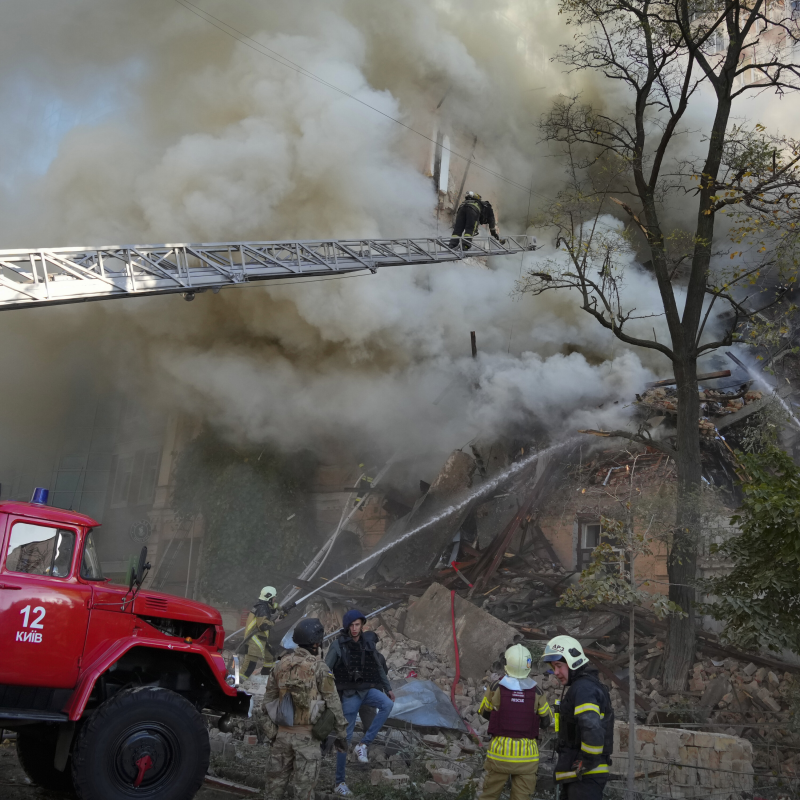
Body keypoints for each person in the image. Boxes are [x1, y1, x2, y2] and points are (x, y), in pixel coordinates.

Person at [263, 618, 348, 800]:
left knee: (272, 792)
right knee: (304, 794)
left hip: (281, 739)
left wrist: (273, 735)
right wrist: (342, 736)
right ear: (316, 643)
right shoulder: (320, 668)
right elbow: (334, 704)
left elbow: (266, 703)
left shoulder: (280, 666)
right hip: (308, 742)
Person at [325, 608, 395, 796]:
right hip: (349, 695)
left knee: (387, 705)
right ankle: (339, 782)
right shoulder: (338, 645)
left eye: (358, 625)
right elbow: (325, 671)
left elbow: (379, 667)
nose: (355, 628)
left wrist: (388, 688)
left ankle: (363, 745)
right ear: (347, 626)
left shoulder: (367, 643)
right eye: (352, 625)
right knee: (344, 739)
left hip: (367, 691)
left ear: (362, 625)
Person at [542, 635, 614, 800]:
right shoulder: (583, 687)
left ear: (573, 661)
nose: (556, 672)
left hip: (585, 776)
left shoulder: (583, 689)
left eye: (559, 666)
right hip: (580, 776)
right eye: (554, 667)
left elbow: (591, 726)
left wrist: (586, 763)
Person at [476, 644, 553, 800]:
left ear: (507, 664)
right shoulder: (537, 691)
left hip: (499, 756)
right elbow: (546, 721)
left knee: (488, 796)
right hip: (527, 759)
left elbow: (484, 712)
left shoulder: (496, 687)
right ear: (529, 665)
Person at [240, 586, 281, 678]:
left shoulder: (262, 606)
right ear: (269, 597)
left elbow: (272, 607)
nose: (275, 599)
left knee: (270, 657)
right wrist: (276, 621)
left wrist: (281, 608)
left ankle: (265, 678)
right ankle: (237, 684)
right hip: (254, 639)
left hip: (260, 639)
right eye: (274, 597)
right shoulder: (262, 608)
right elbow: (263, 626)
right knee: (249, 665)